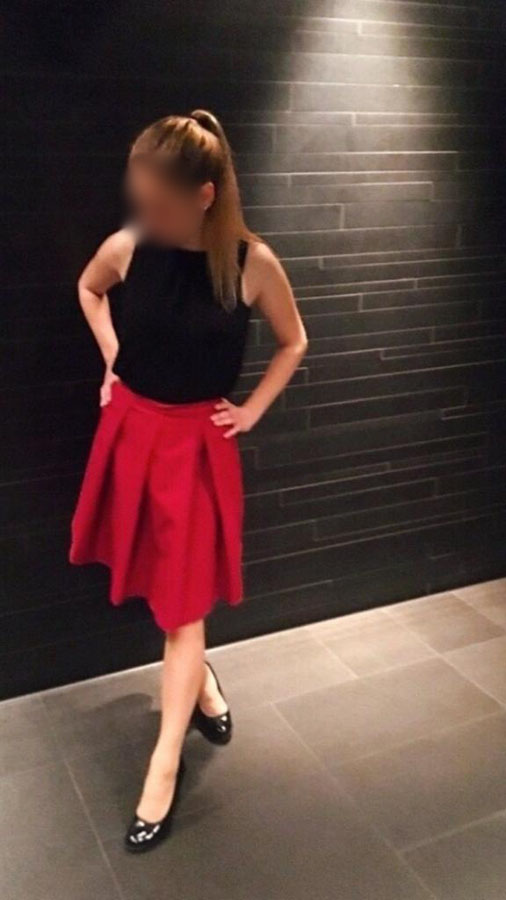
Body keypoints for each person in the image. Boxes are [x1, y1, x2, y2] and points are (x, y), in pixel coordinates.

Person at [68, 108, 308, 853]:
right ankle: (201, 684)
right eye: (141, 201)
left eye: (161, 204)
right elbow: (89, 289)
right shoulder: (131, 246)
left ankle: (165, 765)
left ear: (205, 195)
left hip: (195, 451)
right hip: (132, 433)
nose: (148, 217)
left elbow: (294, 341)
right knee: (162, 590)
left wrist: (252, 411)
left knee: (183, 606)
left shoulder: (250, 262)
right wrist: (112, 359)